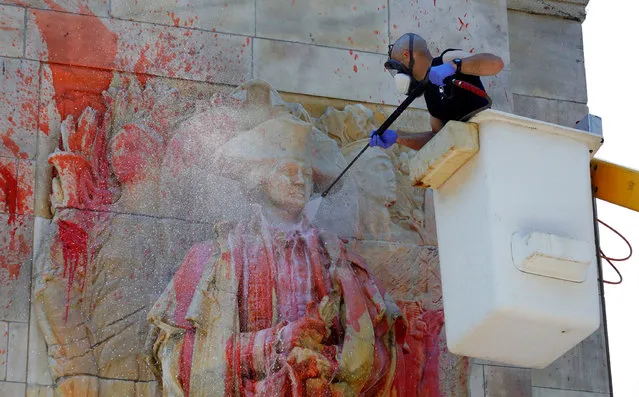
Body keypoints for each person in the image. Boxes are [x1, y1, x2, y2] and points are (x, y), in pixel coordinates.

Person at [148, 117, 406, 396]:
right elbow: (178, 356)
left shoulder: (337, 257)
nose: (299, 181)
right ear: (262, 179)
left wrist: (327, 364)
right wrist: (274, 343)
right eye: (289, 171)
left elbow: (380, 346)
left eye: (307, 174)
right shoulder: (216, 258)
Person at [370, 33, 504, 151]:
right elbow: (436, 137)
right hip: (467, 148)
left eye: (399, 69)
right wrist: (398, 137)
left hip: (488, 137)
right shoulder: (429, 94)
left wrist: (454, 66)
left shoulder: (447, 58)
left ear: (407, 55)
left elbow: (496, 64)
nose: (400, 75)